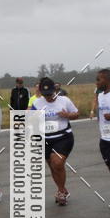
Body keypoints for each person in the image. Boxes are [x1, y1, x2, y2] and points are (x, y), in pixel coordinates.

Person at [31, 76, 79, 206]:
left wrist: (67, 115)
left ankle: (61, 192)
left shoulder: (64, 100)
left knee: (57, 163)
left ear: (55, 90)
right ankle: (61, 189)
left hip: (63, 137)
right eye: (45, 94)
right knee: (52, 166)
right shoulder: (37, 103)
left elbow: (76, 113)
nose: (48, 97)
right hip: (45, 139)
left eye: (50, 93)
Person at [94, 68, 110, 206]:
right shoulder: (100, 96)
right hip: (105, 139)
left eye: (99, 79)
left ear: (108, 79)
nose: (96, 82)